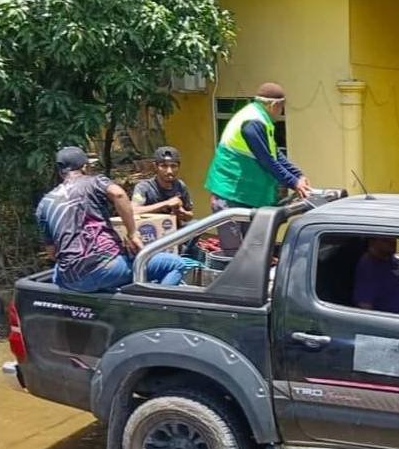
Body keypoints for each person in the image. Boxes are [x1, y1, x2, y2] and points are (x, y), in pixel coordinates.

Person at [36, 147, 188, 293]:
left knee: (61, 270)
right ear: (85, 167)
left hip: (70, 279)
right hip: (105, 268)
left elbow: (52, 253)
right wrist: (133, 233)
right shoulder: (94, 182)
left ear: (60, 171)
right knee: (176, 264)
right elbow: (119, 194)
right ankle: (155, 308)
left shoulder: (45, 203)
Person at [204, 82, 312, 254]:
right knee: (236, 253)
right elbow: (267, 160)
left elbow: (275, 153)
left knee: (253, 250)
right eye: (282, 107)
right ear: (274, 105)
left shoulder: (262, 119)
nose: (281, 111)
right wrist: (293, 183)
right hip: (231, 193)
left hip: (247, 195)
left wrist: (297, 175)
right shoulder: (252, 122)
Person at [131, 146, 201, 259]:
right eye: (164, 166)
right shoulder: (144, 187)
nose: (169, 171)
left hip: (175, 232)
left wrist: (181, 212)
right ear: (155, 166)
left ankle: (184, 256)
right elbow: (133, 210)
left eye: (173, 166)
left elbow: (189, 216)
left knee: (196, 225)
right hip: (151, 234)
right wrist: (166, 204)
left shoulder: (180, 186)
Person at [353, 237, 399, 315]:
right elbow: (364, 305)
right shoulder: (369, 267)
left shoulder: (390, 260)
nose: (393, 242)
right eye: (386, 240)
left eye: (394, 239)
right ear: (372, 241)